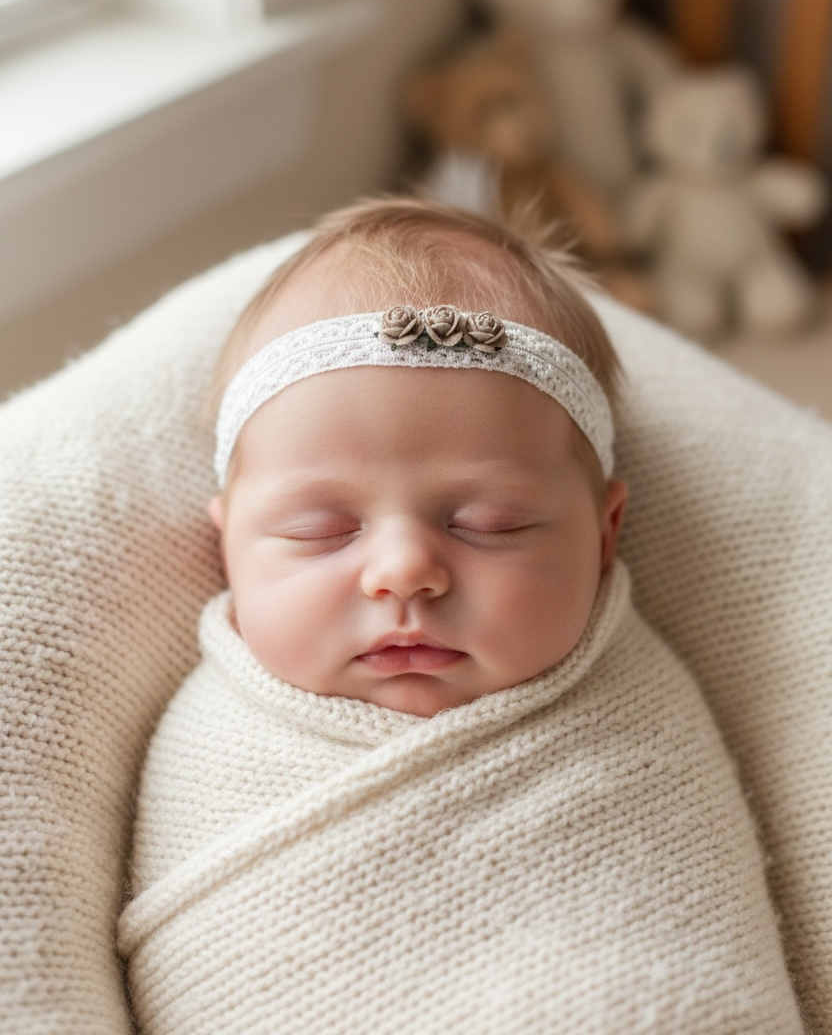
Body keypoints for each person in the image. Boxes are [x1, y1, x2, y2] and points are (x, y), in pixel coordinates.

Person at [117, 199, 802, 1034]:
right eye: (320, 529)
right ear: (227, 546)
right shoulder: (212, 742)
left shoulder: (643, 720)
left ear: (604, 535)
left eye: (490, 524)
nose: (404, 570)